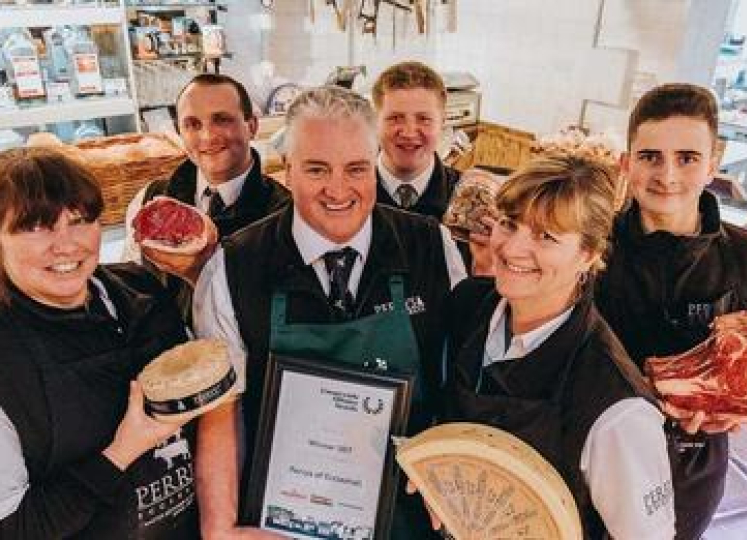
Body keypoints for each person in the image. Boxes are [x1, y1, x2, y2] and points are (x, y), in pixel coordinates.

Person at [0, 148, 246, 539]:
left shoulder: (143, 290)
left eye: (79, 220)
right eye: (35, 227)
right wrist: (122, 450)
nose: (66, 245)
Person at [193, 85, 467, 539]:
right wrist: (221, 530)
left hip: (411, 514)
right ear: (288, 169)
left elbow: (460, 378)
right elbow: (222, 412)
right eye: (317, 169)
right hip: (290, 521)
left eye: (356, 169)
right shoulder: (236, 265)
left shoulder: (430, 246)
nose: (338, 190)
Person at [441, 154, 675, 539]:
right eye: (509, 223)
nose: (513, 249)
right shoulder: (468, 306)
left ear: (590, 255)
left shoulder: (616, 405)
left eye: (545, 236)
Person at [595, 82, 747, 540]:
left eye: (687, 157)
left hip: (690, 470)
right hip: (592, 455)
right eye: (650, 156)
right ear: (626, 162)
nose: (668, 175)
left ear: (713, 164)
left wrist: (737, 408)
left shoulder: (742, 254)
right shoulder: (592, 245)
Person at [123, 73, 290, 324]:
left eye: (221, 120)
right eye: (192, 124)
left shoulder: (285, 212)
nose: (207, 137)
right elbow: (134, 287)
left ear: (252, 126)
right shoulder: (150, 200)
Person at [371, 61, 460, 219]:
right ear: (374, 121)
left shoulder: (464, 199)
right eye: (395, 118)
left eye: (423, 119)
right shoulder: (347, 194)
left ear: (443, 122)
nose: (409, 133)